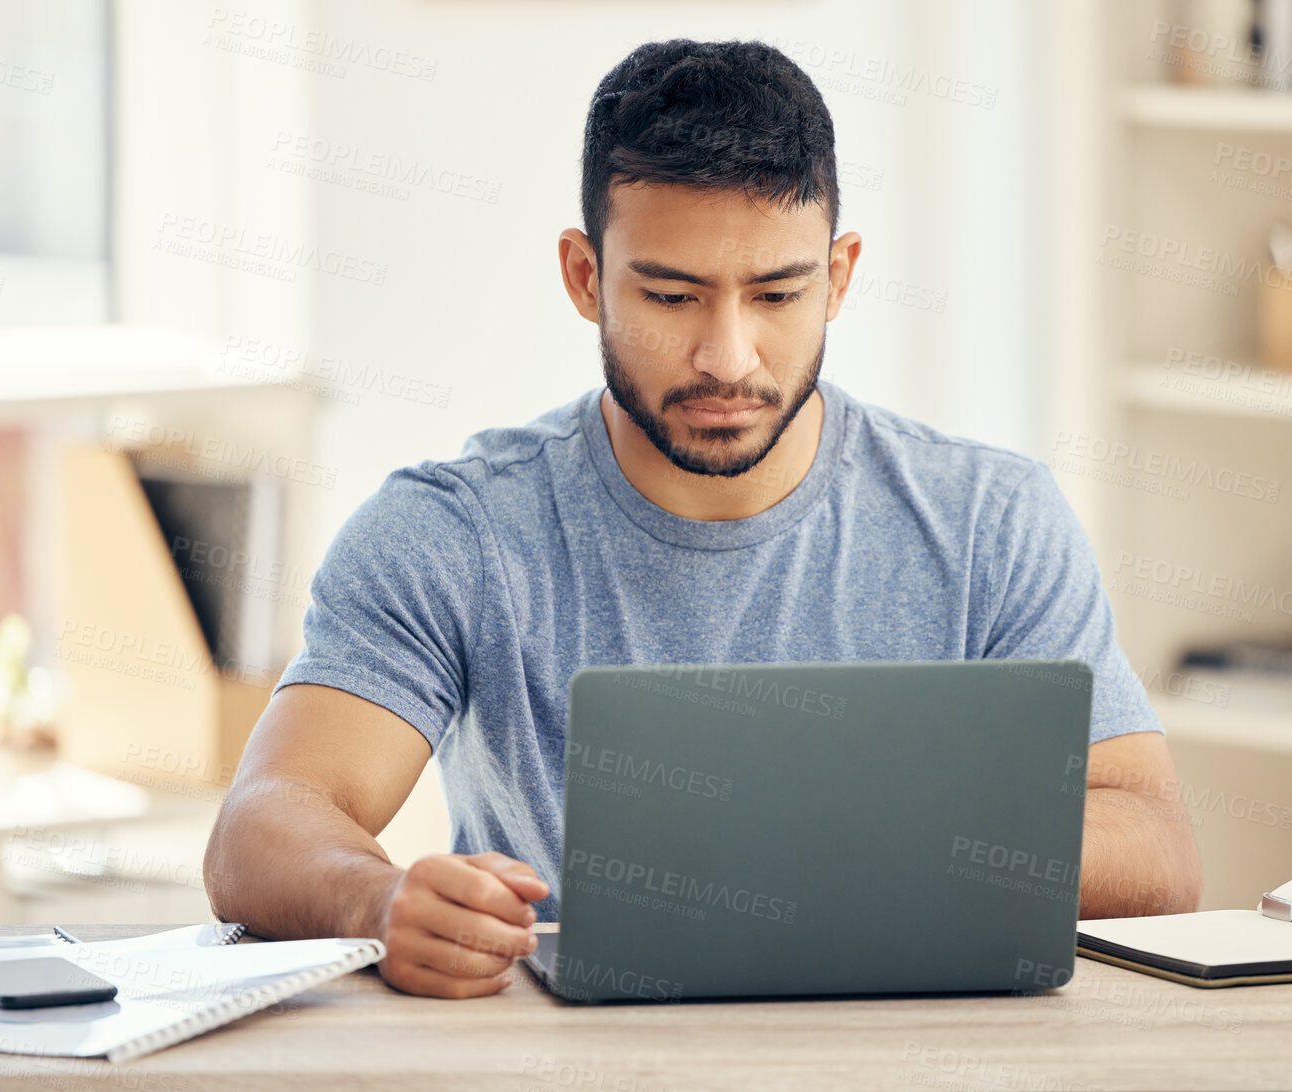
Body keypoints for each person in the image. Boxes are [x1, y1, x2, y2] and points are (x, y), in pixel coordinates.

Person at [205, 38, 1201, 1000]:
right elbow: (263, 823)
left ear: (840, 276)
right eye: (673, 296)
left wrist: (845, 853)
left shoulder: (991, 520)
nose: (728, 356)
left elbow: (1154, 851)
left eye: (776, 293)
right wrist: (376, 899)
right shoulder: (452, 531)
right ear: (586, 277)